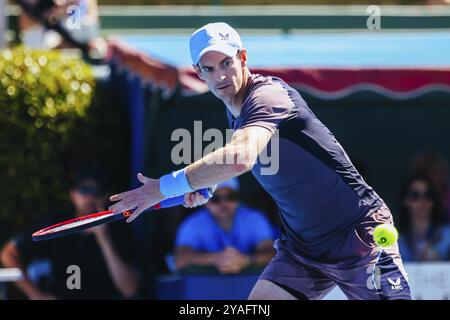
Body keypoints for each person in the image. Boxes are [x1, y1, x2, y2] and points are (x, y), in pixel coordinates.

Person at [109, 22, 412, 300]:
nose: (221, 76)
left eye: (226, 63)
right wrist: (207, 186)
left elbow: (240, 158)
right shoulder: (235, 112)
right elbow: (255, 163)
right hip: (303, 249)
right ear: (198, 72)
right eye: (210, 68)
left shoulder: (267, 96)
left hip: (358, 234)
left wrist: (163, 188)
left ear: (243, 57)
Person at [0, 169, 140, 299]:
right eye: (85, 190)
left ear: (107, 196)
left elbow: (130, 289)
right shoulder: (57, 224)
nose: (90, 197)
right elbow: (9, 254)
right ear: (73, 194)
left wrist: (104, 240)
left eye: (98, 191)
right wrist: (36, 295)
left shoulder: (121, 227)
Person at [174, 178, 274, 274]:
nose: (224, 203)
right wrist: (214, 258)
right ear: (205, 202)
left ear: (238, 199)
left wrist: (246, 260)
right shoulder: (193, 223)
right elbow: (180, 260)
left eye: (231, 197)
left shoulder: (255, 218)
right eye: (215, 198)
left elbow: (273, 254)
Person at [397, 174, 450, 262]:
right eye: (415, 195)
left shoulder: (448, 236)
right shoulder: (397, 244)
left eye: (428, 195)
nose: (422, 200)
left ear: (434, 201)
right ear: (405, 201)